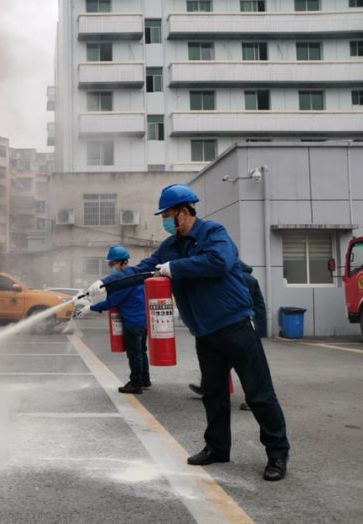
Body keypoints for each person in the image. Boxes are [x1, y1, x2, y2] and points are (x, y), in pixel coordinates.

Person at [84, 184, 290, 481]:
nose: (165, 219)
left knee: (259, 394)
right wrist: (105, 284)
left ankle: (277, 454)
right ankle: (217, 447)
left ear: (184, 211)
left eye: (167, 213)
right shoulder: (170, 247)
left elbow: (219, 263)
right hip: (205, 333)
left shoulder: (213, 233)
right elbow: (141, 270)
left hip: (235, 326)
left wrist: (174, 269)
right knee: (214, 394)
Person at [189, 261, 267, 411]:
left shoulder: (235, 279)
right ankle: (207, 387)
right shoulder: (250, 279)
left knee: (241, 366)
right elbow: (260, 305)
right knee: (238, 364)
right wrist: (260, 330)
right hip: (247, 327)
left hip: (237, 327)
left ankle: (250, 399)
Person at [77, 245, 150, 394]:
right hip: (143, 321)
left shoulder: (125, 282)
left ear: (122, 262)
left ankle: (136, 384)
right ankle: (144, 379)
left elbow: (112, 302)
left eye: (112, 264)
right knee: (141, 351)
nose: (110, 267)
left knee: (134, 353)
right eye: (109, 264)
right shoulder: (133, 277)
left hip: (133, 322)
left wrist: (89, 308)